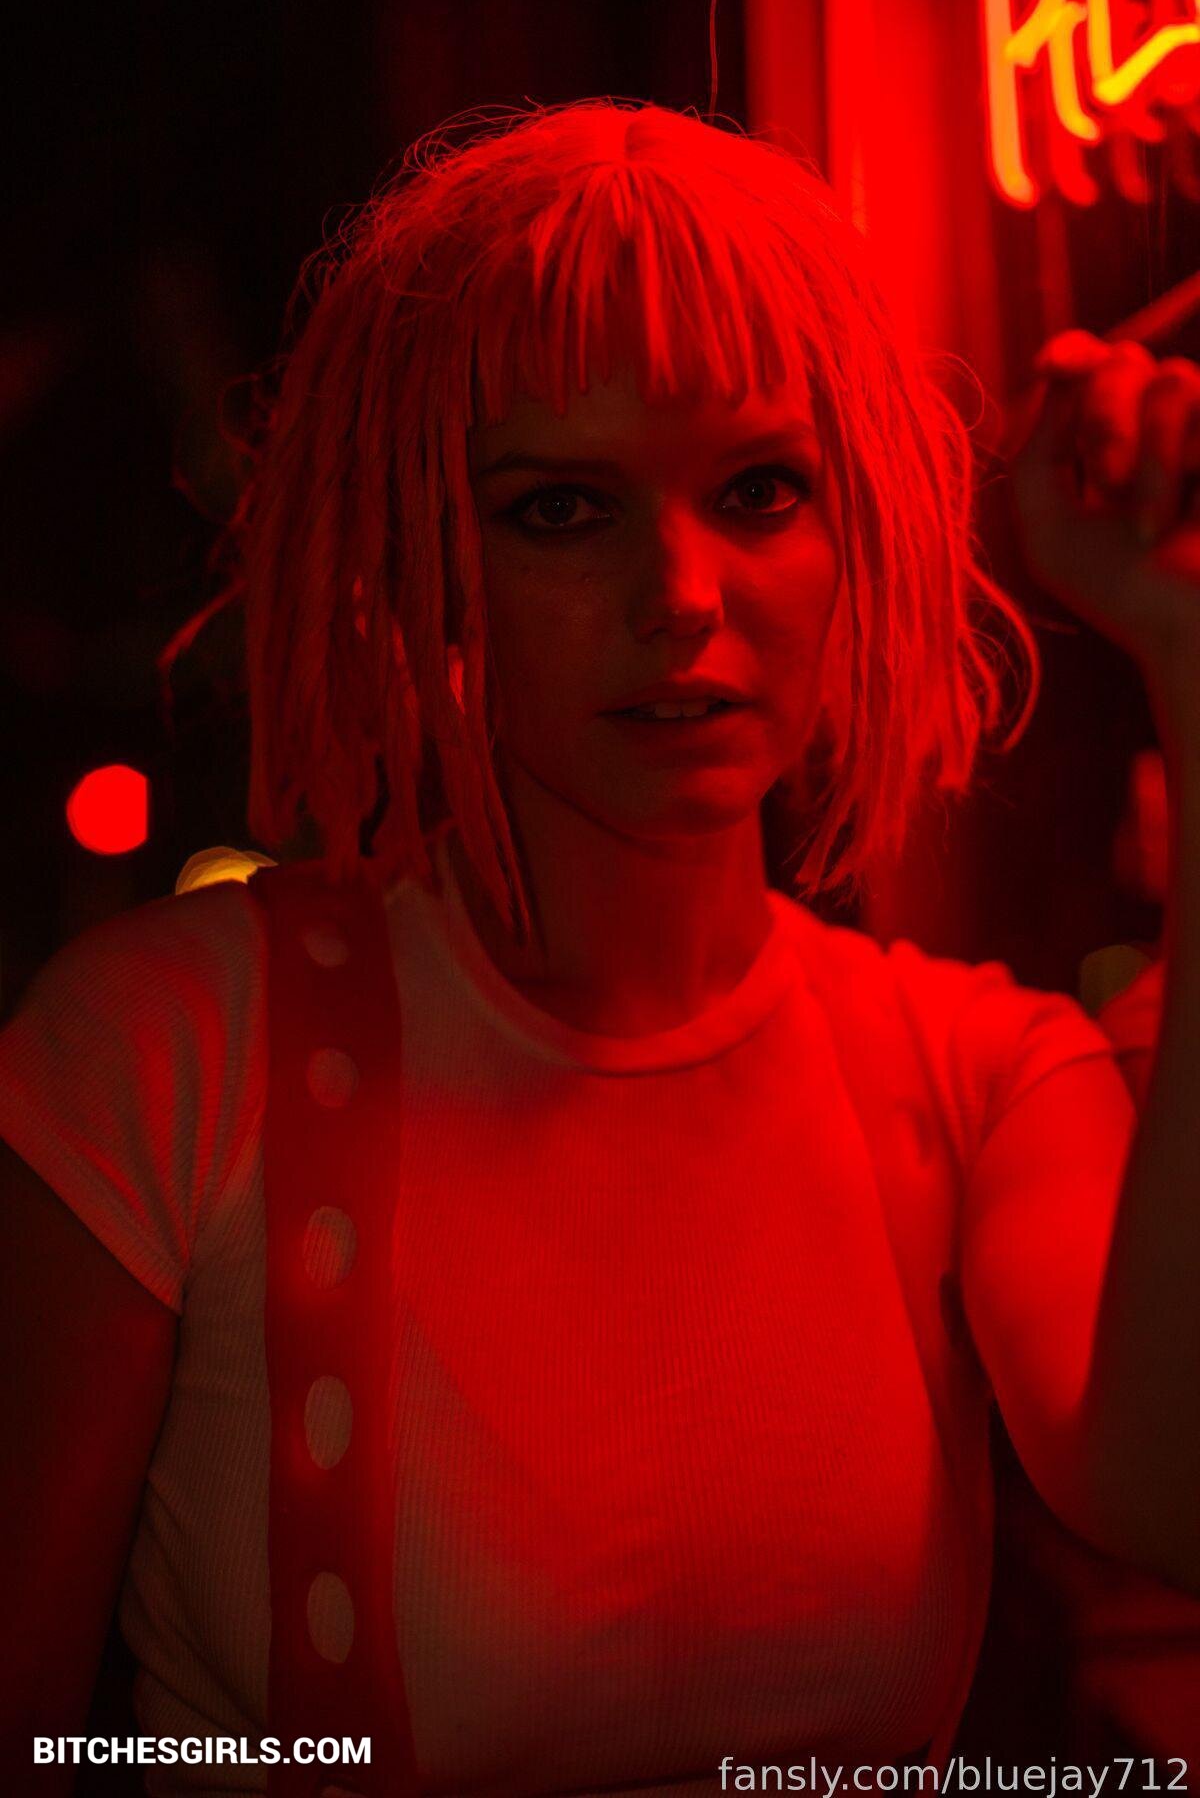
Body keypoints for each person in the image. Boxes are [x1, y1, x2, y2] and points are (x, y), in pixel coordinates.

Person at [1, 98, 1197, 1798]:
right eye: (562, 507)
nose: (682, 594)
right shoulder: (165, 1050)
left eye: (760, 489)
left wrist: (1188, 656)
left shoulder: (976, 1072)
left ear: (853, 530)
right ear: (418, 556)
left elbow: (1173, 1495)